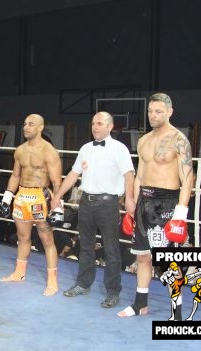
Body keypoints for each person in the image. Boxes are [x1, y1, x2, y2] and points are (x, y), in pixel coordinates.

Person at [118, 92, 194, 318]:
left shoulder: (179, 139)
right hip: (144, 203)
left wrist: (181, 213)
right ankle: (140, 304)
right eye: (150, 111)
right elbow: (140, 175)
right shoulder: (143, 140)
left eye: (158, 111)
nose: (153, 115)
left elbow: (188, 177)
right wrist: (132, 201)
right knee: (142, 256)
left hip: (168, 203)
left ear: (169, 112)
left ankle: (177, 312)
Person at [50, 112, 135, 308]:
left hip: (108, 204)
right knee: (85, 246)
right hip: (86, 202)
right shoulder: (85, 148)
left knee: (112, 249)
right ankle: (83, 283)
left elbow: (129, 176)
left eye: (99, 123)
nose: (95, 127)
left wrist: (129, 198)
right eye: (93, 123)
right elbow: (73, 174)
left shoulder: (119, 148)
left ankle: (113, 292)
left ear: (110, 126)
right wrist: (57, 196)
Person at [0, 114, 63, 296]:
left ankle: (52, 282)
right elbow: (15, 175)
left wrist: (58, 207)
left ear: (40, 127)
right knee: (22, 237)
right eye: (25, 124)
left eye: (31, 124)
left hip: (41, 196)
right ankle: (19, 273)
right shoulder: (19, 150)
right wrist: (6, 198)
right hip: (22, 196)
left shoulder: (49, 151)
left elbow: (57, 181)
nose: (26, 127)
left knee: (47, 240)